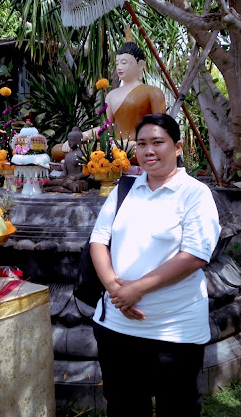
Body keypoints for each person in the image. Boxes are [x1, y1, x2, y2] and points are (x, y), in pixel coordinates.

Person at [89, 113, 221, 417]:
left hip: (174, 329)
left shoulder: (195, 194)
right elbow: (98, 240)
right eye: (142, 144)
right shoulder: (125, 190)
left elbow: (195, 255)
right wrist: (115, 289)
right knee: (123, 407)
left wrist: (137, 289)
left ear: (178, 147)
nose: (148, 151)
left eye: (158, 142)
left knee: (177, 409)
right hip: (116, 325)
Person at [54, 41, 166, 160]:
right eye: (117, 63)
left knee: (136, 150)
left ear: (140, 64)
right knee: (57, 150)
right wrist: (81, 137)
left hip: (138, 147)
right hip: (114, 146)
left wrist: (141, 142)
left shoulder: (153, 92)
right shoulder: (111, 95)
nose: (119, 67)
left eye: (124, 63)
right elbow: (106, 127)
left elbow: (161, 129)